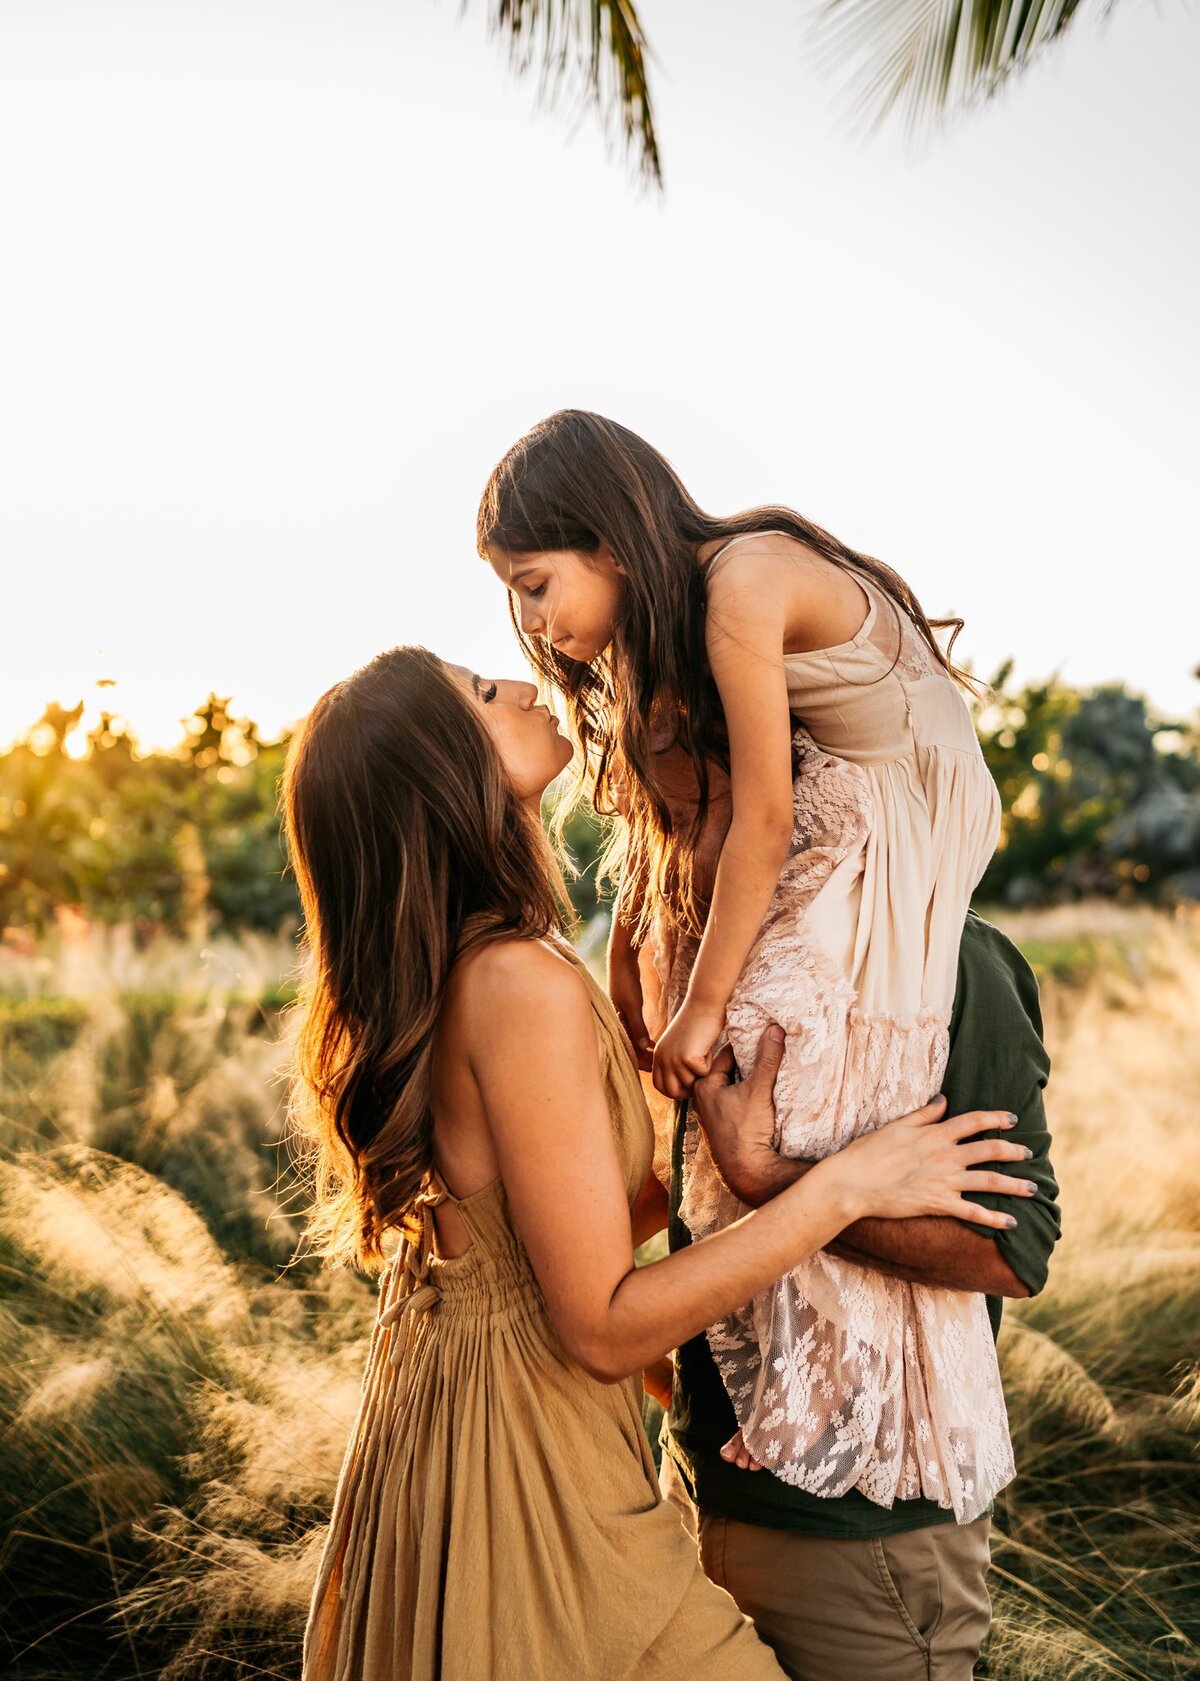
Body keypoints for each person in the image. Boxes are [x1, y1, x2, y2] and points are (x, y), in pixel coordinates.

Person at [285, 647, 1032, 1681]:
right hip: (525, 1454)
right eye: (482, 695)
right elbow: (599, 1324)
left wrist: (695, 1120)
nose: (517, 679)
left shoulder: (488, 962)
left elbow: (552, 1223)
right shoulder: (515, 980)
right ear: (441, 773)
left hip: (460, 1408)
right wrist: (840, 1184)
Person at [477, 409, 1014, 1519]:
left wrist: (697, 1010)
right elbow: (715, 828)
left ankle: (830, 1404)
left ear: (608, 540)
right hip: (861, 811)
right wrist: (641, 948)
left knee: (785, 1073)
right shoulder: (700, 619)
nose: (527, 621)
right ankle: (757, 1380)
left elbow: (763, 815)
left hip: (894, 817)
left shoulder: (742, 582)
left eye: (534, 583)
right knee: (762, 1100)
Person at [661, 907, 1060, 1680]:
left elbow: (1015, 1250)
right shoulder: (703, 954)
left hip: (862, 1543)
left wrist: (770, 1176)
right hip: (688, 1491)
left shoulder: (949, 958)